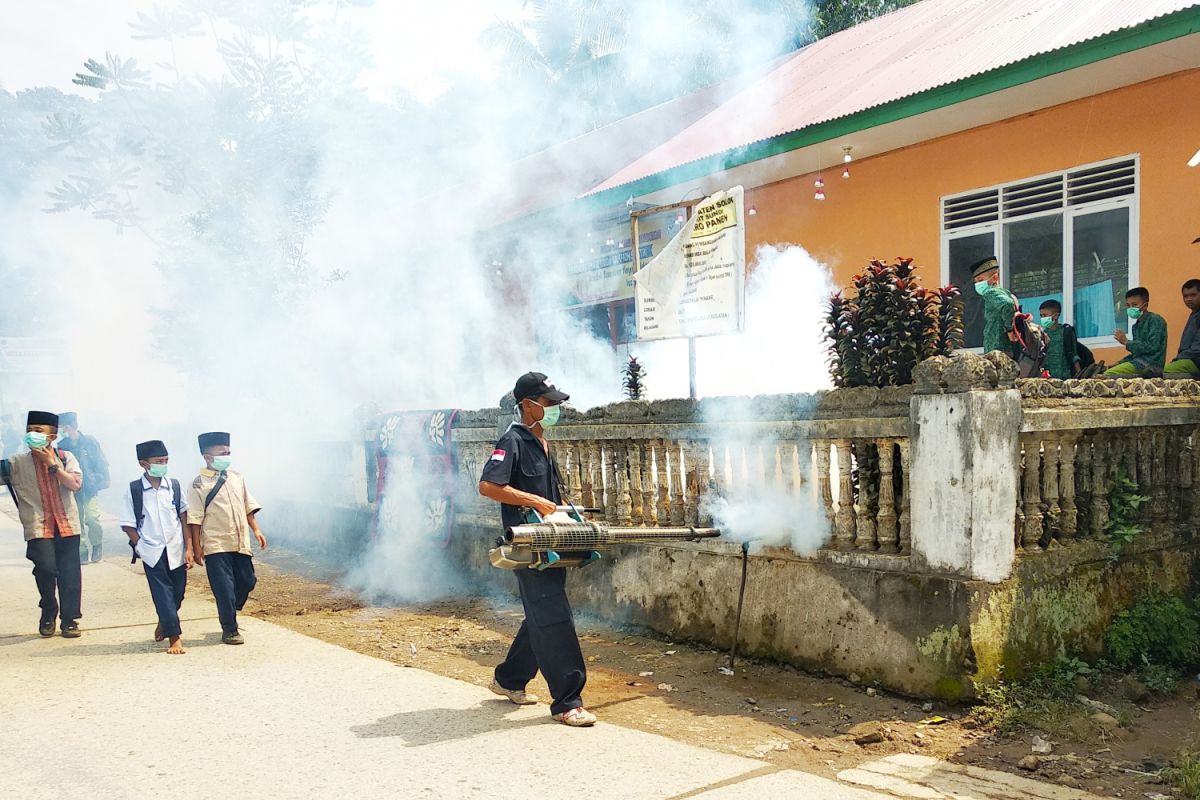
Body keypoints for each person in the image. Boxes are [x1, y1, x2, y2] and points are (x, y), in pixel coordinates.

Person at [478, 372, 596, 728]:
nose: (554, 409)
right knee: (554, 616)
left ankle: (509, 679)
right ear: (528, 405)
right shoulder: (511, 441)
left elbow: (552, 498)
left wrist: (568, 517)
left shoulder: (542, 443)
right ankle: (567, 700)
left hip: (551, 543)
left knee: (542, 613)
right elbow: (488, 485)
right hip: (527, 547)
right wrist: (532, 500)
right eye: (548, 403)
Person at [4, 411, 85, 637]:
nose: (32, 434)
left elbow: (75, 484)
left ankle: (70, 620)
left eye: (38, 431)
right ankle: (48, 609)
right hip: (38, 527)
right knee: (46, 569)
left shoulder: (66, 457)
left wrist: (52, 465)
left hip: (67, 524)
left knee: (70, 574)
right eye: (29, 430)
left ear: (52, 436)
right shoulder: (15, 463)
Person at [186, 431, 266, 645]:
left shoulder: (237, 477)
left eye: (228, 452)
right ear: (207, 457)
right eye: (221, 453)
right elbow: (194, 518)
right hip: (215, 543)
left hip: (240, 541)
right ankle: (230, 628)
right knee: (223, 589)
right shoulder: (198, 483)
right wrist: (195, 547)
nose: (226, 456)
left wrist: (256, 530)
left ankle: (231, 608)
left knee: (248, 580)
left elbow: (247, 505)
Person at [120, 440, 191, 654]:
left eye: (166, 460)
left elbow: (184, 517)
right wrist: (140, 545)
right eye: (158, 461)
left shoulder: (174, 487)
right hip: (152, 551)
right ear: (144, 464)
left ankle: (165, 620)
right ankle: (174, 638)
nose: (163, 464)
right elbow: (127, 524)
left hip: (176, 548)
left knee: (178, 593)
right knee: (162, 593)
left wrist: (189, 548)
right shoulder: (134, 490)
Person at [56, 411, 110, 563]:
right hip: (72, 489)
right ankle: (82, 551)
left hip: (90, 488)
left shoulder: (89, 441)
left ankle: (97, 545)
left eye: (62, 427)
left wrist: (103, 479)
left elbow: (101, 461)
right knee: (77, 521)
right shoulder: (62, 446)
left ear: (68, 426)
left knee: (92, 518)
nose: (60, 430)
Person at [1105, 287, 1168, 376]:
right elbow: (1137, 354)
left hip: (1151, 365)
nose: (1131, 308)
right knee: (1108, 370)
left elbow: (1152, 347)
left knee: (1110, 374)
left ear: (1145, 305)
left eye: (1134, 305)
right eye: (1128, 305)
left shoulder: (1155, 320)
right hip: (1139, 362)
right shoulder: (1136, 326)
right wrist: (1120, 362)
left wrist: (1127, 342)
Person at [970, 256, 1019, 357]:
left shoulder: (991, 292)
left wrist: (1010, 330)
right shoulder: (1006, 292)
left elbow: (1007, 305)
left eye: (980, 280)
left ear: (995, 278)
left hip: (997, 349)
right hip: (1006, 349)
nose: (977, 284)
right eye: (976, 281)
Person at [1164, 279, 1200, 378]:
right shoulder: (1194, 314)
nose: (1189, 299)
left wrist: (1179, 358)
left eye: (1193, 295)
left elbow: (1197, 348)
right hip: (1190, 359)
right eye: (1185, 296)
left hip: (1196, 360)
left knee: (1169, 371)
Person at [1037, 299, 1081, 379]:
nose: (1042, 318)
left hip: (1066, 378)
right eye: (1041, 316)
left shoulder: (1066, 332)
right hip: (1047, 380)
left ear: (1056, 315)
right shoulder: (1041, 335)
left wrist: (1079, 376)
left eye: (1045, 315)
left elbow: (1074, 356)